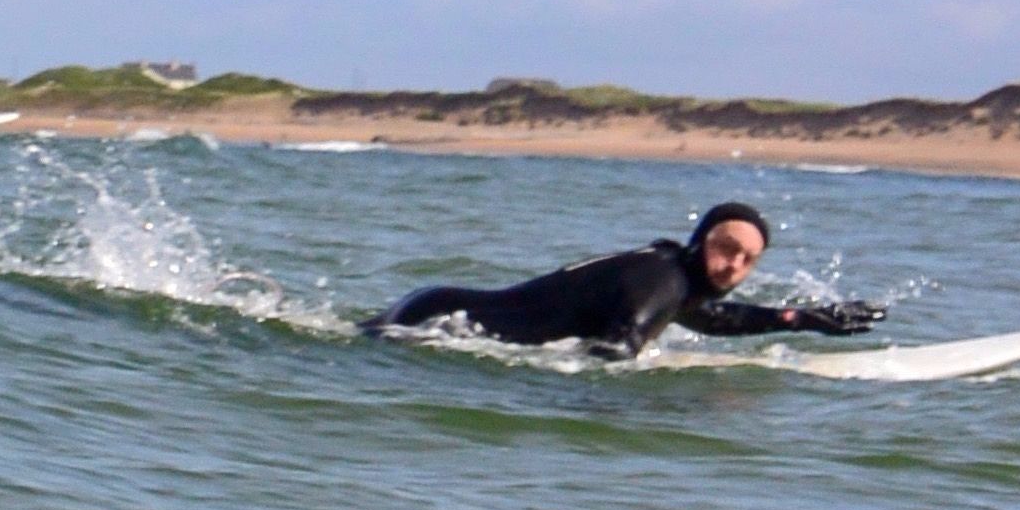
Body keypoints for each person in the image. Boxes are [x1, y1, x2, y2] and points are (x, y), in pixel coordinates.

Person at [366, 203, 885, 358]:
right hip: (434, 323)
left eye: (747, 260)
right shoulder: (661, 280)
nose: (734, 266)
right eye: (726, 248)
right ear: (699, 242)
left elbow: (712, 318)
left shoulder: (674, 278)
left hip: (434, 306)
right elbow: (615, 348)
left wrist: (798, 319)